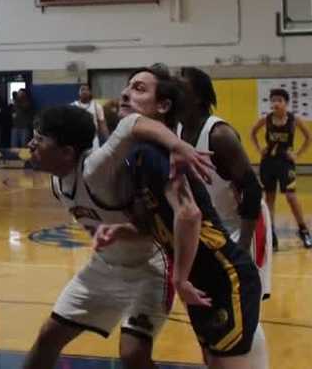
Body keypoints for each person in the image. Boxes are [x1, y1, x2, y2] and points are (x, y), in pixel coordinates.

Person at [100, 66, 267, 367]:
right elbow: (165, 223)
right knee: (214, 361)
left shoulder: (155, 152)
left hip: (224, 273)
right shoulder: (140, 152)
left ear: (163, 106)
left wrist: (178, 278)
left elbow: (189, 214)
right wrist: (123, 231)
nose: (125, 93)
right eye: (127, 87)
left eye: (139, 89)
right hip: (202, 275)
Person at [24, 101, 211, 369]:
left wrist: (177, 145)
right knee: (48, 336)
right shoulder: (57, 182)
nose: (31, 144)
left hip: (149, 268)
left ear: (67, 152)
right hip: (103, 267)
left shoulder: (96, 168)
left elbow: (131, 124)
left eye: (39, 139)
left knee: (133, 354)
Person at [180, 67, 272, 298]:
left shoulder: (219, 135)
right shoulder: (177, 130)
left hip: (241, 226)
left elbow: (252, 189)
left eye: (182, 88)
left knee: (243, 306)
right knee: (216, 304)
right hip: (211, 230)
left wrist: (242, 247)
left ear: (199, 97)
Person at [249, 88, 312, 251]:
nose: (275, 103)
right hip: (268, 162)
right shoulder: (266, 119)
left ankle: (303, 230)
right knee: (269, 198)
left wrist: (297, 154)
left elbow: (309, 137)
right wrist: (259, 150)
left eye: (279, 100)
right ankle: (271, 234)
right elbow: (252, 133)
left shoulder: (293, 120)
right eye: (273, 100)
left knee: (291, 196)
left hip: (285, 162)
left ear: (286, 103)